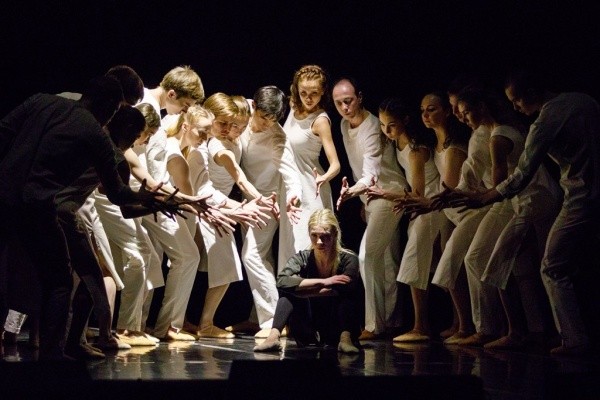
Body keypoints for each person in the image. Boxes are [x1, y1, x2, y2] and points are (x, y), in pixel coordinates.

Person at [0, 76, 169, 360]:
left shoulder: (42, 100)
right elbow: (118, 194)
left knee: (16, 275)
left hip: (7, 196)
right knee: (59, 282)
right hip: (39, 207)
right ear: (110, 106)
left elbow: (4, 132)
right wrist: (150, 200)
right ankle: (53, 356)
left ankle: (53, 344)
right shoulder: (95, 134)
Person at [447, 69, 600, 355]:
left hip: (572, 198)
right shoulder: (583, 100)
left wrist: (484, 198)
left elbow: (521, 174)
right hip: (567, 197)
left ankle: (569, 338)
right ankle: (543, 332)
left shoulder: (542, 122)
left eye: (517, 100)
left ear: (530, 93)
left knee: (550, 266)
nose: (516, 107)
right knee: (551, 265)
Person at [333, 78, 408, 339]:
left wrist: (354, 192)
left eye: (348, 101)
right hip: (372, 198)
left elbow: (371, 174)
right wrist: (363, 201)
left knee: (368, 257)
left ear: (360, 97)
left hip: (389, 195)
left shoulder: (373, 127)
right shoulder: (344, 125)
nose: (344, 107)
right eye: (339, 103)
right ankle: (392, 320)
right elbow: (358, 168)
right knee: (386, 259)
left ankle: (374, 325)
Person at [366, 98, 442, 343]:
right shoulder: (396, 144)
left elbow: (417, 193)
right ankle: (433, 324)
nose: (386, 131)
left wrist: (384, 193)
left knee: (415, 263)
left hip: (431, 206)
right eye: (383, 125)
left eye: (392, 125)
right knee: (430, 265)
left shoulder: (415, 150)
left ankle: (421, 326)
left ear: (405, 121)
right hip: (418, 210)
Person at [239, 86, 303, 338]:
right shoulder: (242, 111)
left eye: (273, 119)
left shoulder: (277, 137)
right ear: (254, 106)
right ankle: (257, 317)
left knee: (252, 255)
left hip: (268, 201)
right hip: (245, 201)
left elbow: (290, 172)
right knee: (261, 258)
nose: (268, 123)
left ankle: (272, 322)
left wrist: (294, 196)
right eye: (264, 117)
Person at [254, 209, 362, 353]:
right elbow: (282, 281)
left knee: (347, 296)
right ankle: (273, 338)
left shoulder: (349, 258)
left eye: (325, 236)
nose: (319, 241)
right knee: (287, 294)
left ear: (335, 234)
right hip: (308, 325)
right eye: (314, 235)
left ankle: (345, 340)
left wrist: (302, 292)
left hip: (337, 323)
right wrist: (324, 282)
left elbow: (346, 287)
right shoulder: (303, 257)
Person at [279, 65, 341, 268]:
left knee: (307, 244)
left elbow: (335, 164)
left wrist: (324, 178)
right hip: (290, 186)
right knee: (289, 245)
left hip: (310, 188)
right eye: (303, 92)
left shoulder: (321, 120)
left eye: (314, 93)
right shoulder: (293, 106)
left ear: (322, 92)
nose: (308, 98)